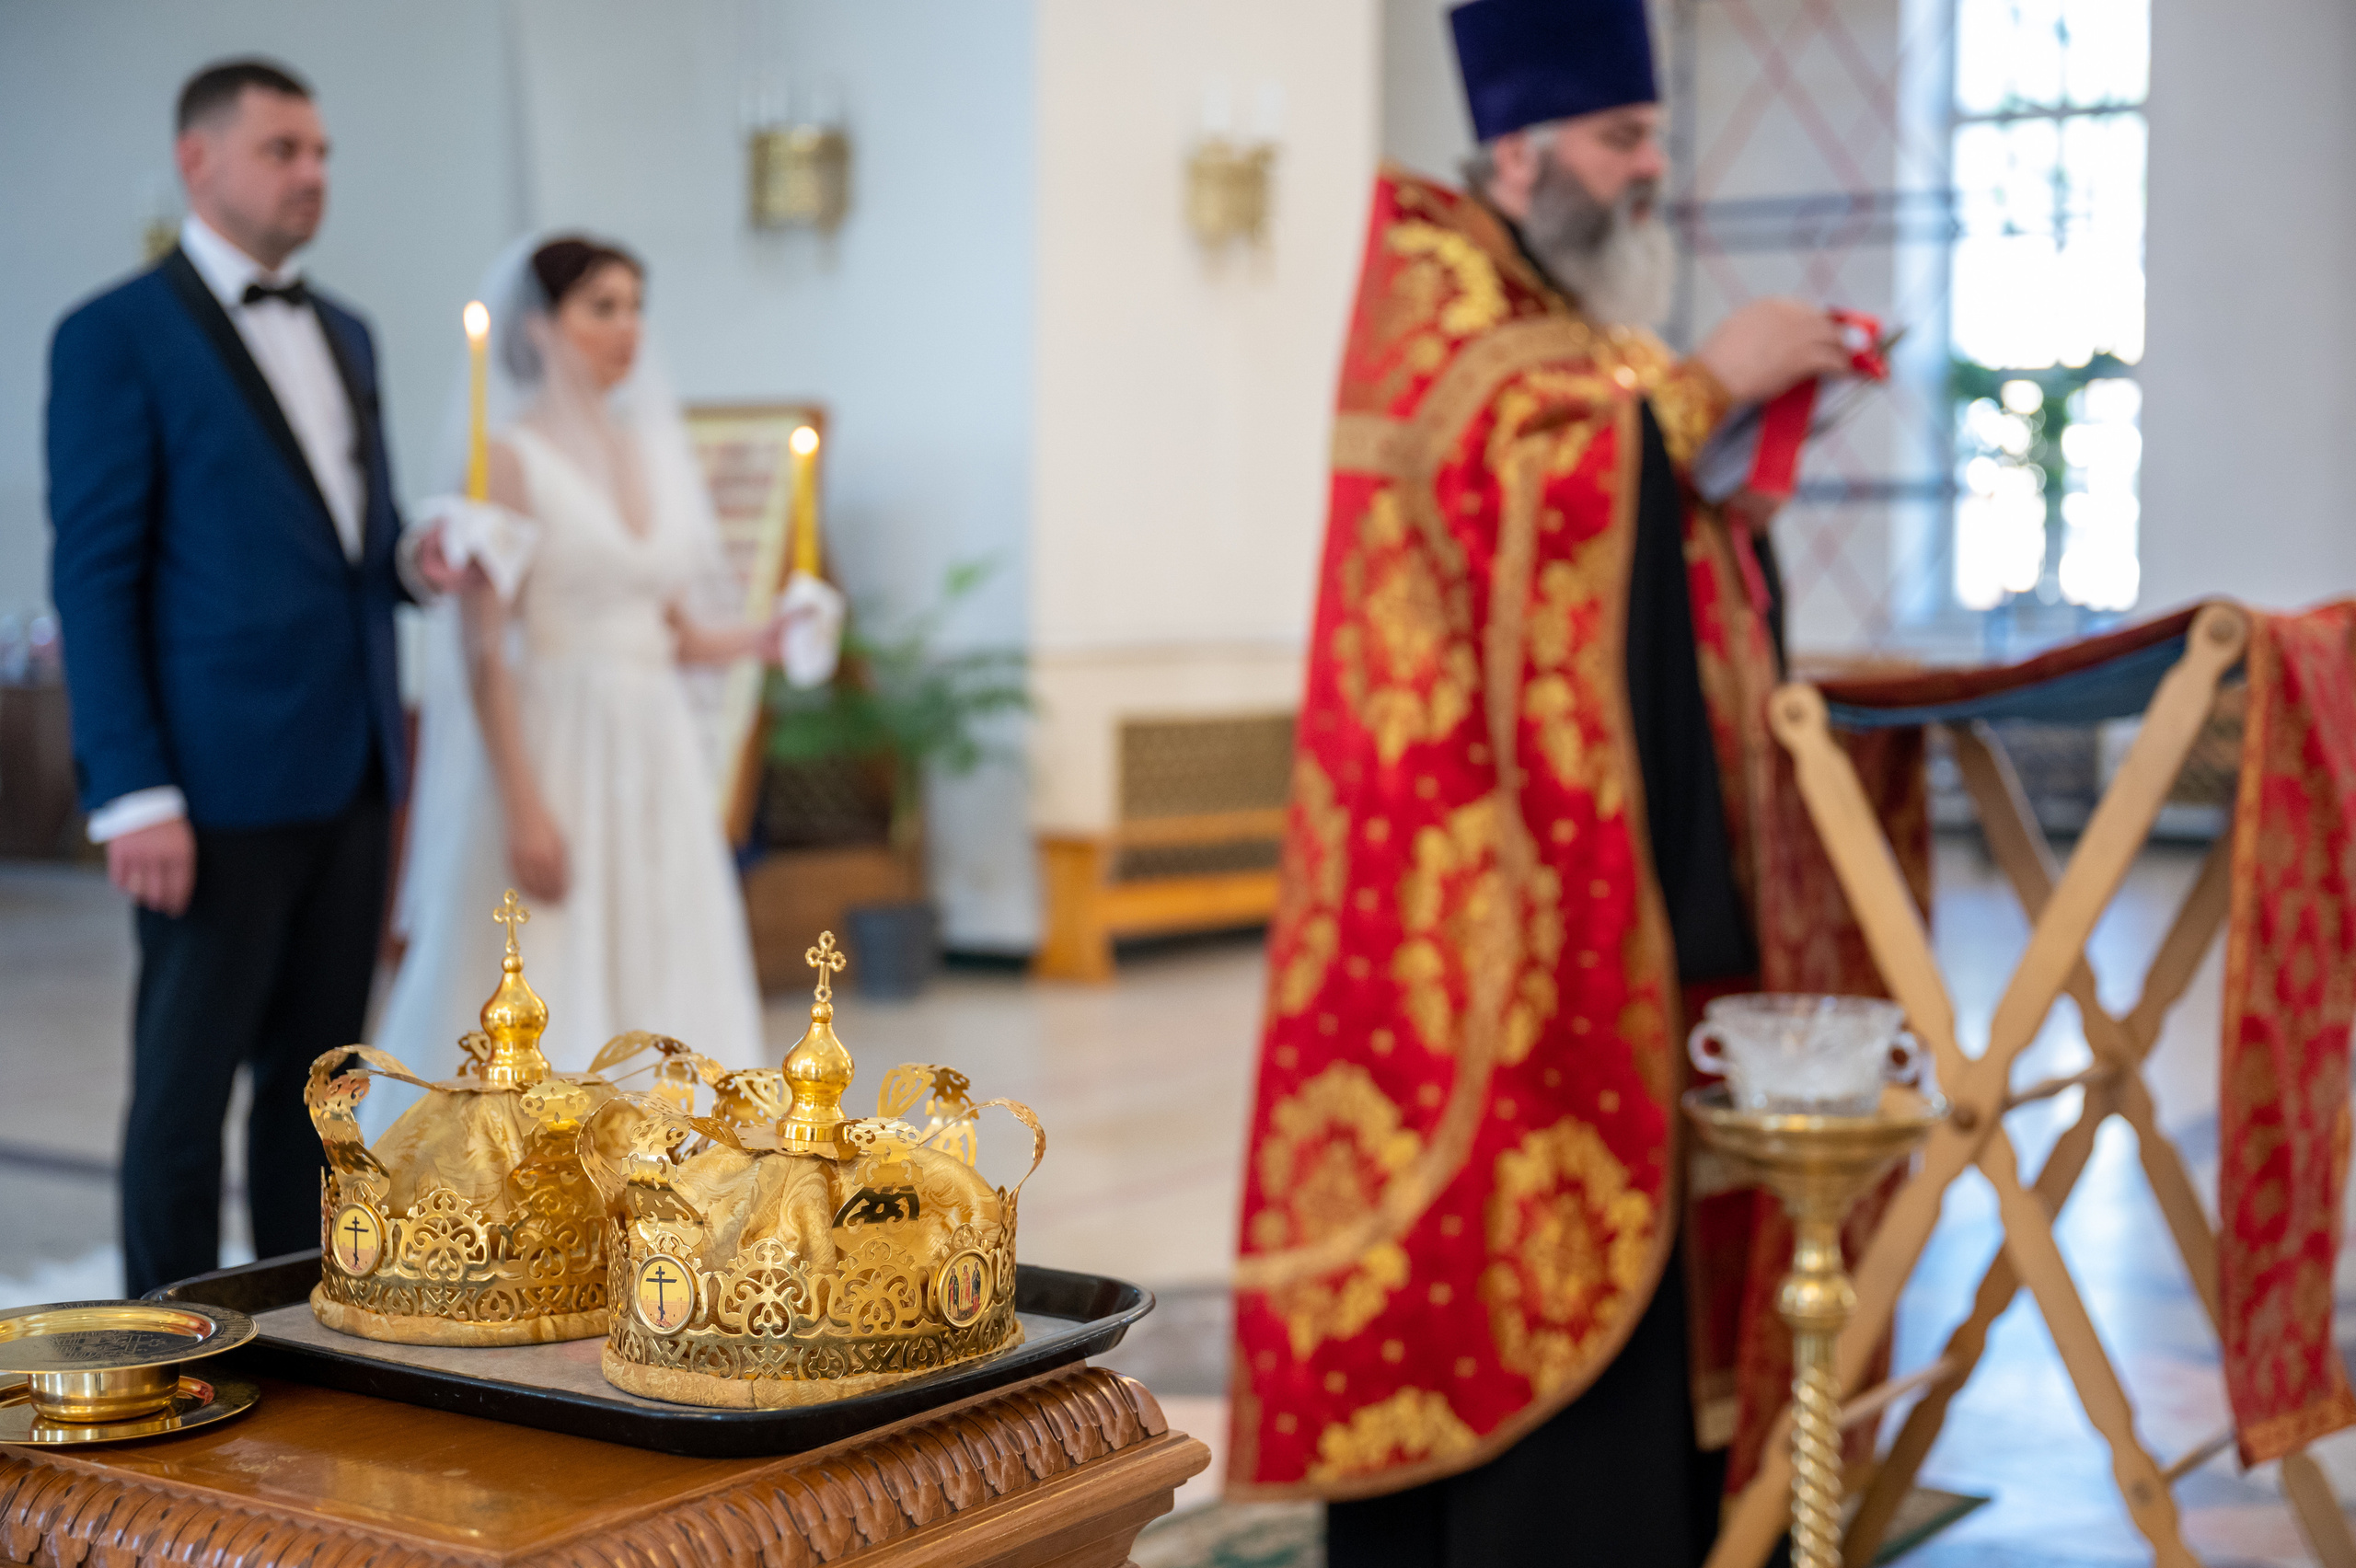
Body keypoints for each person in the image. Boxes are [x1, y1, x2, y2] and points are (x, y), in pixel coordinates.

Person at [1225, 2, 1885, 1562]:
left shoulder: (1572, 333)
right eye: (1619, 138)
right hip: (1469, 903)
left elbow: (1629, 525)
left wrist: (1714, 459)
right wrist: (1699, 393)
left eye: (1654, 137)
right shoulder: (1439, 299)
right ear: (1518, 150)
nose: (1648, 170)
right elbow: (1532, 486)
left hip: (1591, 874)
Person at [48, 59, 460, 1297]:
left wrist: (416, 557)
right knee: (184, 1090)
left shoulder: (346, 331)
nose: (313, 175)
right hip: (210, 782)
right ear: (200, 161)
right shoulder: (113, 334)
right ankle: (162, 1339)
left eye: (322, 153)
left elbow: (352, 544)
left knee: (318, 1087)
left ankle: (296, 1311)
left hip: (349, 763)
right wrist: (131, 790)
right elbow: (97, 576)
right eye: (284, 150)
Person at [372, 236, 777, 1079]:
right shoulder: (510, 460)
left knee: (662, 957)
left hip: (652, 746)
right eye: (601, 307)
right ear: (540, 326)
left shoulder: (651, 452)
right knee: (545, 965)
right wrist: (523, 805)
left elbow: (683, 635)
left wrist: (769, 636)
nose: (626, 327)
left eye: (635, 306)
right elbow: (480, 646)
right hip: (557, 744)